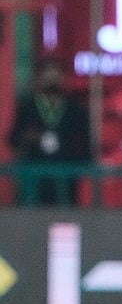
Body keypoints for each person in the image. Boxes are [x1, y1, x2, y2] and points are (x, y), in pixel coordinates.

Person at [6, 57, 90, 205]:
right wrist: (28, 138)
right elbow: (12, 139)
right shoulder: (28, 107)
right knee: (32, 222)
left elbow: (85, 143)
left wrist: (74, 159)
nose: (52, 78)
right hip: (34, 177)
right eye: (48, 74)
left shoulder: (75, 108)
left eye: (56, 74)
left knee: (64, 222)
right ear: (38, 78)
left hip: (65, 178)